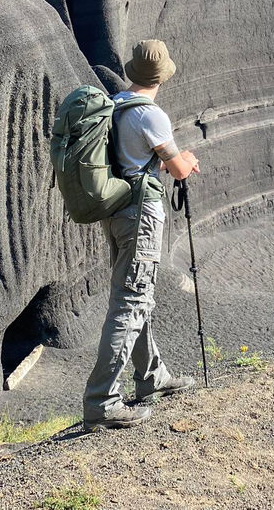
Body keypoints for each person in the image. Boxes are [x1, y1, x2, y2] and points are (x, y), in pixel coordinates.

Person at [82, 39, 200, 431]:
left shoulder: (114, 105)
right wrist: (188, 161)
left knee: (138, 294)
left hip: (116, 210)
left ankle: (151, 377)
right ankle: (102, 401)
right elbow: (178, 168)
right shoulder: (152, 116)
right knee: (131, 301)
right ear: (161, 78)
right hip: (141, 215)